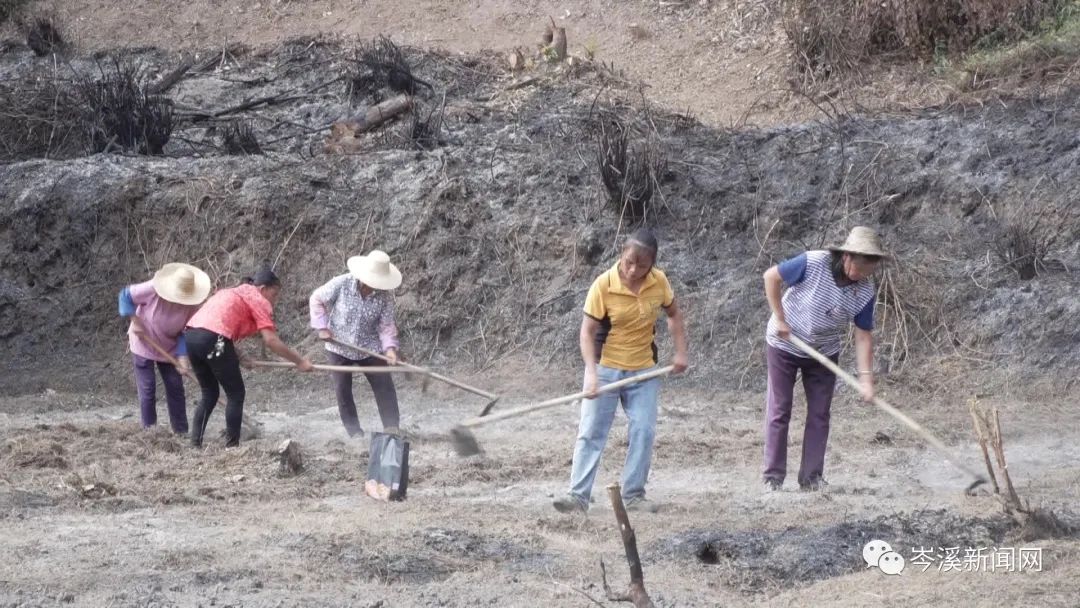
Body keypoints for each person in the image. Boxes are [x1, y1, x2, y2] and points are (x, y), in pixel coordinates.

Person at [553, 229, 689, 515]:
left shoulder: (659, 282)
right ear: (621, 255)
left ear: (652, 264)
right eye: (629, 262)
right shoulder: (603, 285)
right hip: (606, 368)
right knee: (591, 431)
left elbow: (674, 314)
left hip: (643, 370)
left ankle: (634, 495)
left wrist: (680, 353)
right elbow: (587, 333)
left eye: (642, 265)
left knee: (643, 429)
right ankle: (578, 496)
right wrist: (591, 372)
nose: (633, 270)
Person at [761, 226, 886, 492]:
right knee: (780, 409)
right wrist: (780, 319)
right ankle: (773, 477)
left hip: (823, 351)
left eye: (868, 271)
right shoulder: (813, 262)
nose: (860, 276)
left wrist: (866, 379)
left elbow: (863, 335)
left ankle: (811, 477)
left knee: (820, 413)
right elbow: (771, 277)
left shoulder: (864, 290)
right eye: (858, 269)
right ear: (846, 257)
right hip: (785, 342)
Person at [185, 268, 313, 447]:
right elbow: (271, 340)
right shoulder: (257, 298)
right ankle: (232, 446)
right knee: (236, 394)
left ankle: (195, 443)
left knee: (209, 392)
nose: (274, 301)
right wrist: (300, 362)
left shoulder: (231, 292)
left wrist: (239, 355)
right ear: (262, 289)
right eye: (274, 294)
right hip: (215, 338)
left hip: (191, 337)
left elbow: (216, 325)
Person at [309, 250, 402, 437]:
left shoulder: (384, 298)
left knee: (384, 385)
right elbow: (316, 299)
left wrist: (390, 349)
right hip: (338, 345)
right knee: (342, 389)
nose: (374, 286)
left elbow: (386, 326)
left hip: (369, 347)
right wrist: (322, 327)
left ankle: (392, 429)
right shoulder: (343, 283)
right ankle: (355, 432)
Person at [118, 263, 212, 434]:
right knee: (147, 389)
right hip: (143, 340)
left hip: (169, 347)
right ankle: (150, 432)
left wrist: (183, 356)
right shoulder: (153, 288)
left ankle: (181, 431)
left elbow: (187, 331)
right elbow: (125, 296)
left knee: (175, 386)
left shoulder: (192, 305)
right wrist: (134, 319)